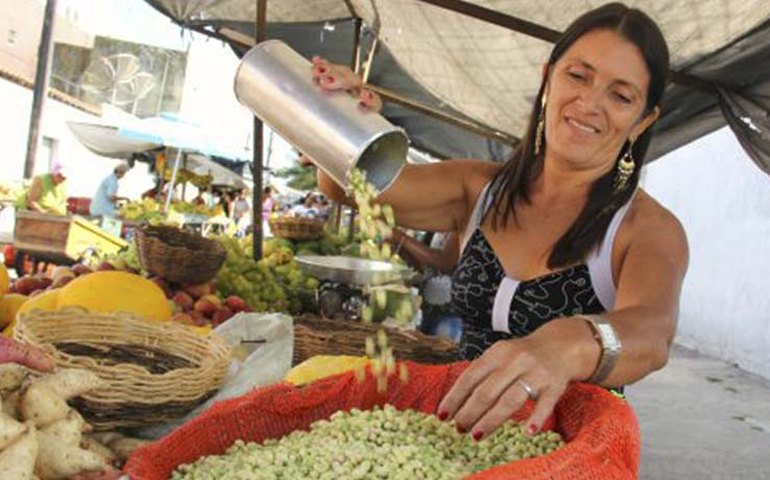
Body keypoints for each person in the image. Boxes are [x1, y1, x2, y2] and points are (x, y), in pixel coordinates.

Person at [315, 3, 689, 441]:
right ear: (548, 76)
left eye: (620, 96)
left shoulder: (645, 227)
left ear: (643, 121)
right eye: (578, 75)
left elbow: (652, 332)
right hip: (454, 442)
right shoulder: (478, 189)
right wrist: (342, 116)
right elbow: (349, 186)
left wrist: (570, 342)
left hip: (571, 457)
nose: (589, 103)